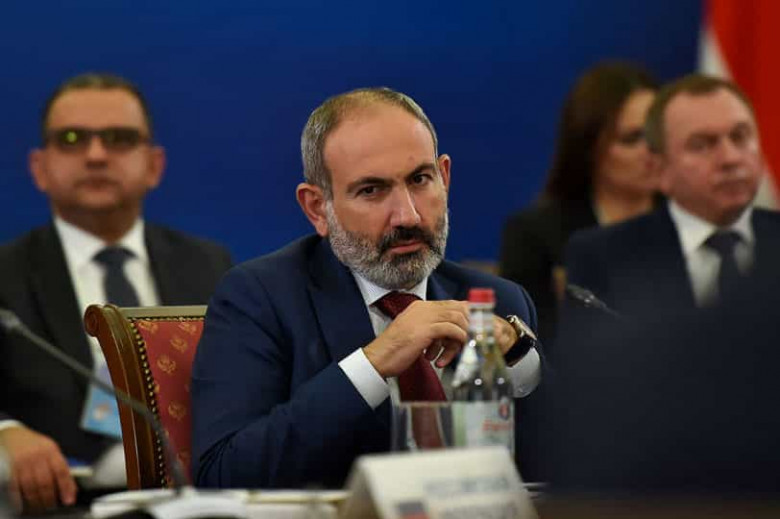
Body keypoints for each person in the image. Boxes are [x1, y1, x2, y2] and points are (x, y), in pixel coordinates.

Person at [191, 87, 542, 489]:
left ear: (444, 178)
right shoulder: (261, 299)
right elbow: (223, 473)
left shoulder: (499, 300)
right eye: (371, 190)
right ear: (317, 208)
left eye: (420, 179)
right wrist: (373, 363)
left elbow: (575, 463)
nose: (407, 216)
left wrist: (516, 357)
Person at [0, 73, 232, 511]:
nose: (96, 155)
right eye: (71, 139)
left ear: (154, 165)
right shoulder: (5, 276)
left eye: (119, 139)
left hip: (190, 500)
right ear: (39, 168)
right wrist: (5, 433)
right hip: (59, 503)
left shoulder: (209, 265)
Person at [564, 74, 780, 318]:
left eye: (740, 136)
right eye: (701, 145)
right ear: (659, 168)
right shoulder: (604, 257)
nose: (730, 158)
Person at [499, 62, 659, 343]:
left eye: (658, 134)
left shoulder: (693, 222)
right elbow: (533, 345)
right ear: (589, 146)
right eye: (632, 138)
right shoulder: (535, 236)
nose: (652, 150)